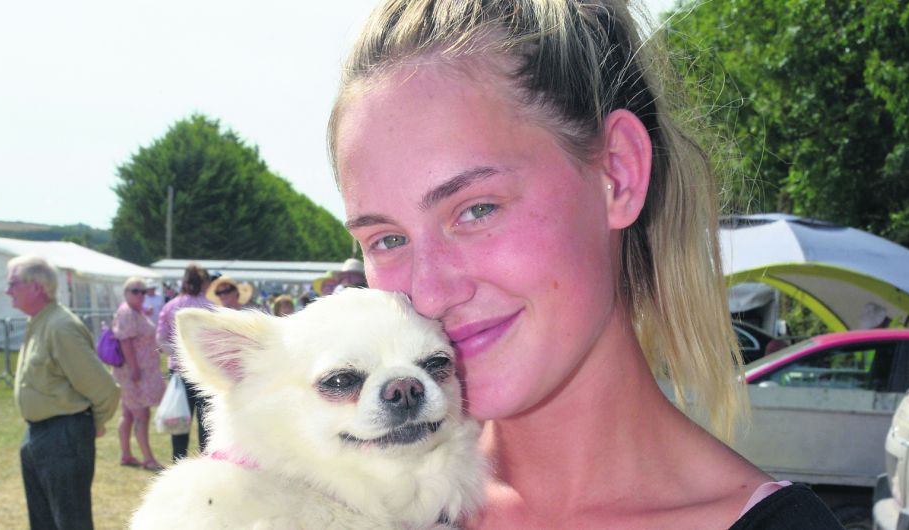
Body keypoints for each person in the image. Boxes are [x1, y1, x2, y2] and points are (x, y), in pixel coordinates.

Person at [328, 1, 843, 528]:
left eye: (477, 209)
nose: (430, 293)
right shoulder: (335, 508)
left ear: (618, 175)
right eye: (388, 239)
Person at [6, 255, 120, 530]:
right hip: (40, 434)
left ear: (36, 286)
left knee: (71, 522)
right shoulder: (40, 322)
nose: (7, 290)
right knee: (43, 522)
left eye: (13, 283)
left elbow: (105, 389)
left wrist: (88, 424)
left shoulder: (60, 326)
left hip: (63, 436)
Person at [156, 264, 214, 461]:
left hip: (179, 371)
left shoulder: (170, 306)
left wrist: (179, 355)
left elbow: (161, 339)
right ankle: (207, 464)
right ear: (204, 283)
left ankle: (177, 461)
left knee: (179, 420)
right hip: (204, 372)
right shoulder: (211, 307)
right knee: (206, 424)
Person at [112, 277, 166, 471]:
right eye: (136, 291)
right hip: (133, 373)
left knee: (128, 414)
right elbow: (125, 342)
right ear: (126, 293)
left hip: (138, 371)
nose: (141, 295)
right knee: (141, 414)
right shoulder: (127, 312)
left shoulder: (135, 311)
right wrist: (134, 368)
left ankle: (126, 454)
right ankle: (148, 458)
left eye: (143, 291)